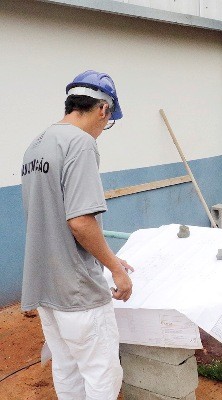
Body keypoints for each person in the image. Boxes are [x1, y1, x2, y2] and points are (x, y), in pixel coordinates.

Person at [21, 70, 133, 399]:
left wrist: (108, 256)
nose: (103, 130)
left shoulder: (36, 145)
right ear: (103, 110)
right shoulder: (81, 144)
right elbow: (80, 222)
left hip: (45, 285)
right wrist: (114, 268)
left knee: (66, 366)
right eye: (108, 121)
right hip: (77, 290)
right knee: (102, 371)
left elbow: (51, 217)